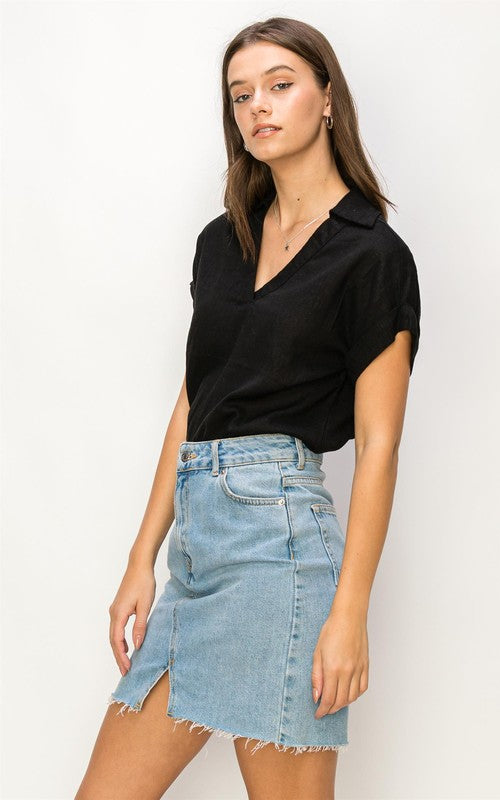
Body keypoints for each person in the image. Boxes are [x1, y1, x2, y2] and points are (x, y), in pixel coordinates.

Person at [75, 15, 421, 800]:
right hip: (197, 552)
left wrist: (349, 613)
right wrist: (141, 558)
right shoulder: (220, 241)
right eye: (240, 95)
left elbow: (378, 445)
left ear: (326, 98)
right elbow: (197, 399)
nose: (257, 107)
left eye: (279, 85)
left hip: (282, 548)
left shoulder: (370, 253)